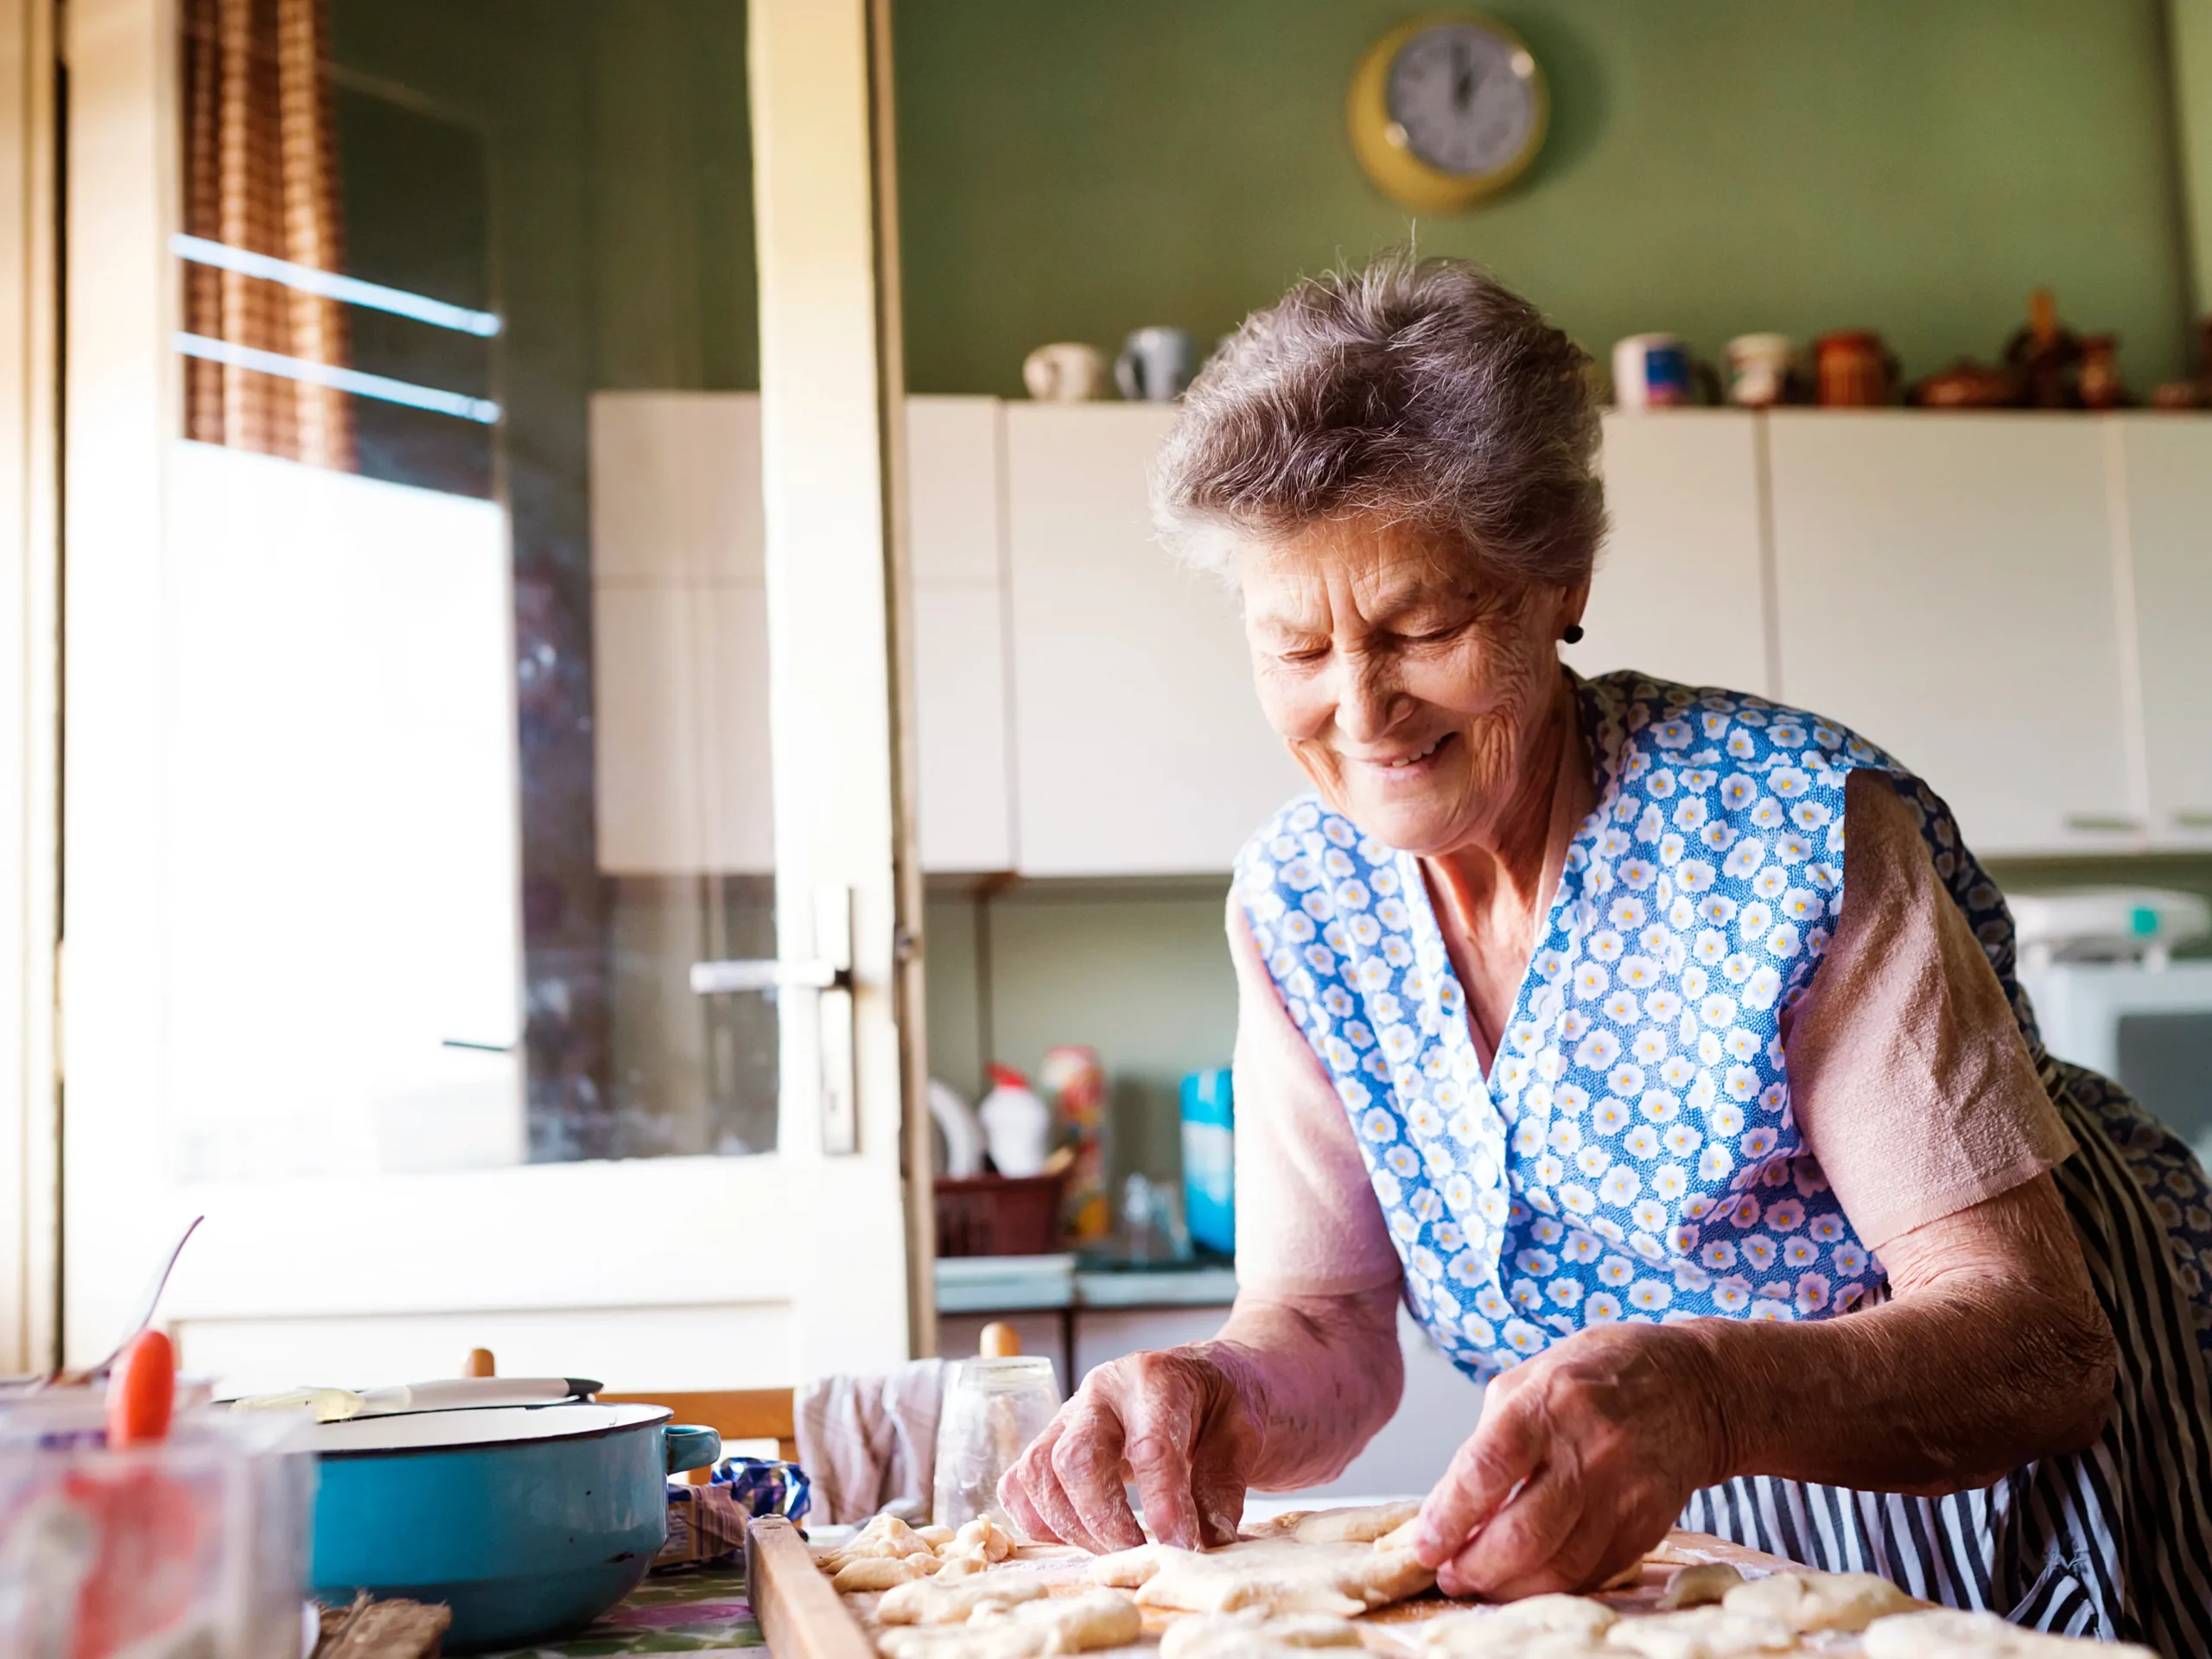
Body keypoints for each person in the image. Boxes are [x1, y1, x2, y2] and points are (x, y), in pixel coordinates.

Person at [996, 254, 2212, 1657]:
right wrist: (1213, 1389)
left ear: (1557, 579)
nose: (1362, 707)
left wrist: (1702, 1393)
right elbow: (1323, 1326)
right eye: (1294, 647)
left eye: (1421, 627)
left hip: (1994, 1477)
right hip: (1696, 1534)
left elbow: (2034, 1349)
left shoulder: (1791, 839)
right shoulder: (1301, 902)